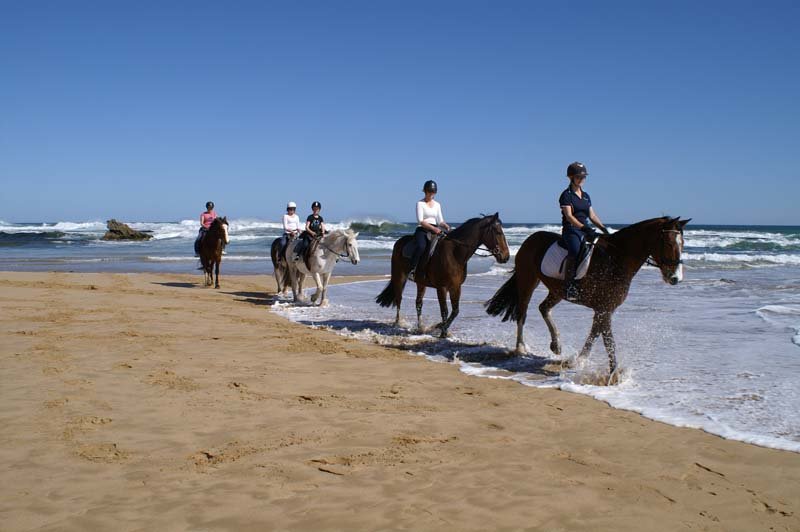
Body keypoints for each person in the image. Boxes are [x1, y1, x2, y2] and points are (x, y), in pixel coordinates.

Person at [559, 162, 609, 301]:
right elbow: (569, 216)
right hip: (571, 230)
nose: (581, 179)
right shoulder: (566, 195)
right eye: (578, 177)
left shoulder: (586, 195)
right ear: (571, 177)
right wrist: (583, 228)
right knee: (575, 250)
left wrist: (603, 228)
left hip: (585, 229)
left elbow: (592, 216)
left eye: (583, 177)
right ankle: (569, 286)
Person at [409, 180, 450, 281]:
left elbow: (440, 221)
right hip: (423, 230)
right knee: (421, 246)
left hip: (435, 229)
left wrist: (446, 226)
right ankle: (412, 270)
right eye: (428, 191)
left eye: (432, 192)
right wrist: (433, 228)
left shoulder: (437, 205)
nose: (430, 194)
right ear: (424, 191)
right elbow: (420, 221)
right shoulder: (420, 203)